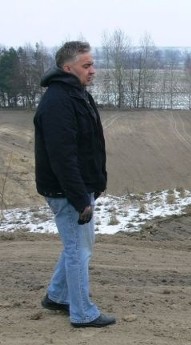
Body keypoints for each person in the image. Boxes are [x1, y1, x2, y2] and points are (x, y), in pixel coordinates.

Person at [34, 41, 115, 328]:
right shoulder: (58, 101)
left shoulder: (76, 95)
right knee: (78, 250)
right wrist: (81, 198)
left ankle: (57, 296)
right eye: (87, 65)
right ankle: (82, 313)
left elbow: (88, 146)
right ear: (68, 68)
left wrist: (95, 183)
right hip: (67, 191)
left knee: (76, 245)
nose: (93, 70)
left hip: (79, 187)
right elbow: (62, 157)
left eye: (93, 64)